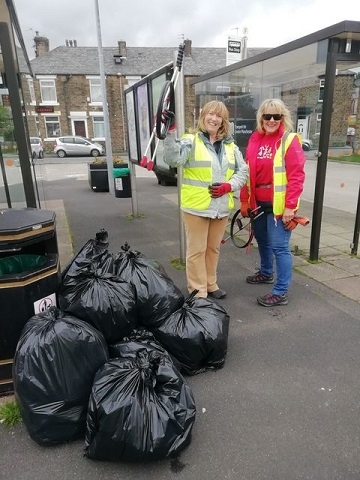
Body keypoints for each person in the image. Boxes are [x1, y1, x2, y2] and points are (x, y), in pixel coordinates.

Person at [163, 100, 248, 299]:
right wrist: (170, 132)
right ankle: (197, 290)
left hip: (220, 208)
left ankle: (211, 284)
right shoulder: (191, 140)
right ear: (203, 117)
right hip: (196, 208)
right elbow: (173, 159)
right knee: (196, 251)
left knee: (213, 249)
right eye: (210, 114)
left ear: (223, 121)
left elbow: (243, 171)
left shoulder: (230, 146)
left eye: (218, 116)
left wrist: (229, 186)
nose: (214, 118)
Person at [240, 98, 306, 307]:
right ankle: (267, 273)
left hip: (279, 206)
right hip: (258, 203)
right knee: (263, 240)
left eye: (276, 116)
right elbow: (246, 172)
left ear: (282, 118)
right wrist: (244, 200)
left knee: (279, 247)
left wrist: (290, 207)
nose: (271, 120)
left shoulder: (289, 140)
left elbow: (296, 176)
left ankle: (280, 292)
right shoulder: (255, 139)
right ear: (261, 117)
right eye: (267, 116)